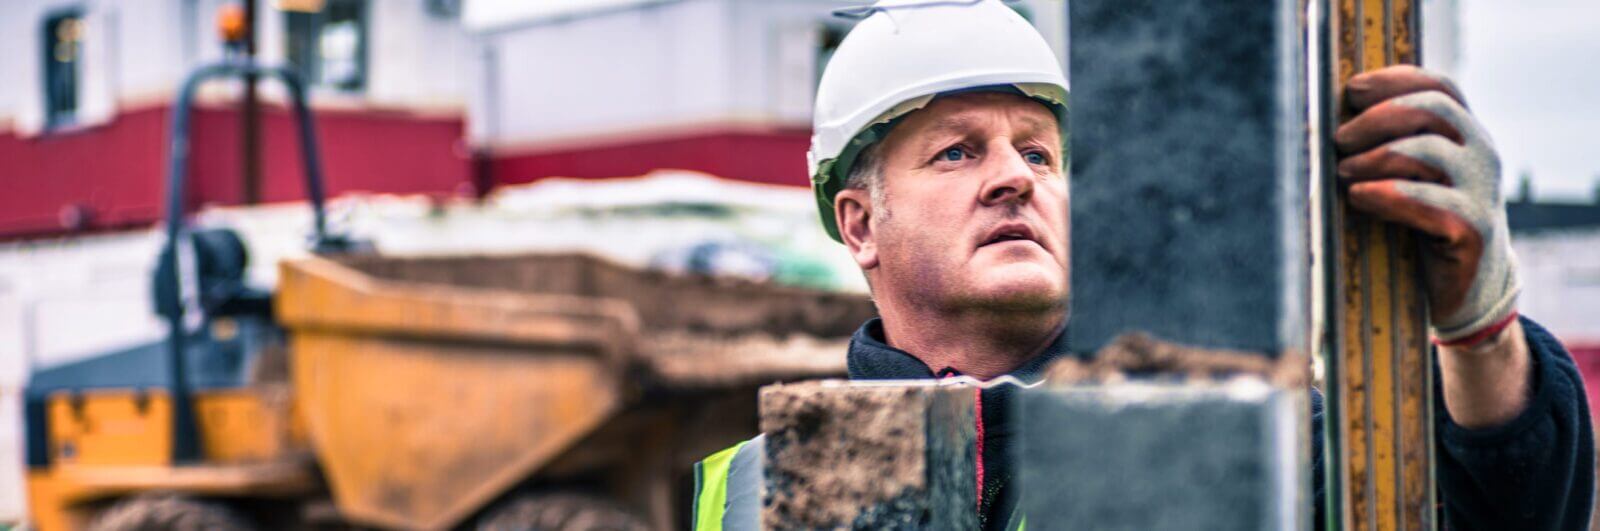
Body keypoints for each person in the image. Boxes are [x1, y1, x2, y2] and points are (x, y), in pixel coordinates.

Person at [692, 1, 1594, 529]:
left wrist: (1480, 330)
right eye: (957, 152)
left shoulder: (1239, 432)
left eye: (1041, 154)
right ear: (859, 225)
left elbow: (1498, 514)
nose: (1016, 177)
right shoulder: (759, 487)